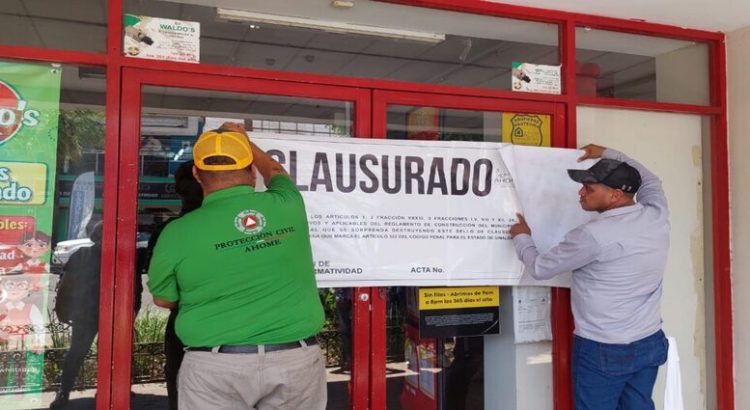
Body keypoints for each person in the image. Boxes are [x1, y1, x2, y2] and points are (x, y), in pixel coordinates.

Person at [147, 122, 326, 409]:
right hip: (295, 360)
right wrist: (245, 140)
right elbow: (276, 172)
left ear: (196, 173)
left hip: (214, 368)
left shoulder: (176, 233)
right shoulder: (287, 203)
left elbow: (164, 299)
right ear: (252, 171)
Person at [510, 144, 669, 410]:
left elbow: (539, 268)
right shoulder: (657, 214)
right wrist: (609, 153)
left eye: (589, 188)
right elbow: (651, 180)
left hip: (604, 349)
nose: (580, 192)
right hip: (649, 341)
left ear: (616, 195)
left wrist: (522, 236)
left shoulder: (593, 235)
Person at [144, 160, 203, 410]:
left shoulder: (168, 231)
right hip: (222, 330)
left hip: (184, 323)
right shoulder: (236, 228)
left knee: (181, 390)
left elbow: (163, 297)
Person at [50, 222, 103, 410]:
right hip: (95, 312)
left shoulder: (82, 254)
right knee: (80, 353)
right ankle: (64, 391)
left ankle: (63, 392)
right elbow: (68, 283)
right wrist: (62, 307)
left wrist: (61, 308)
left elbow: (67, 283)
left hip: (86, 311)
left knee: (76, 353)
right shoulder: (84, 254)